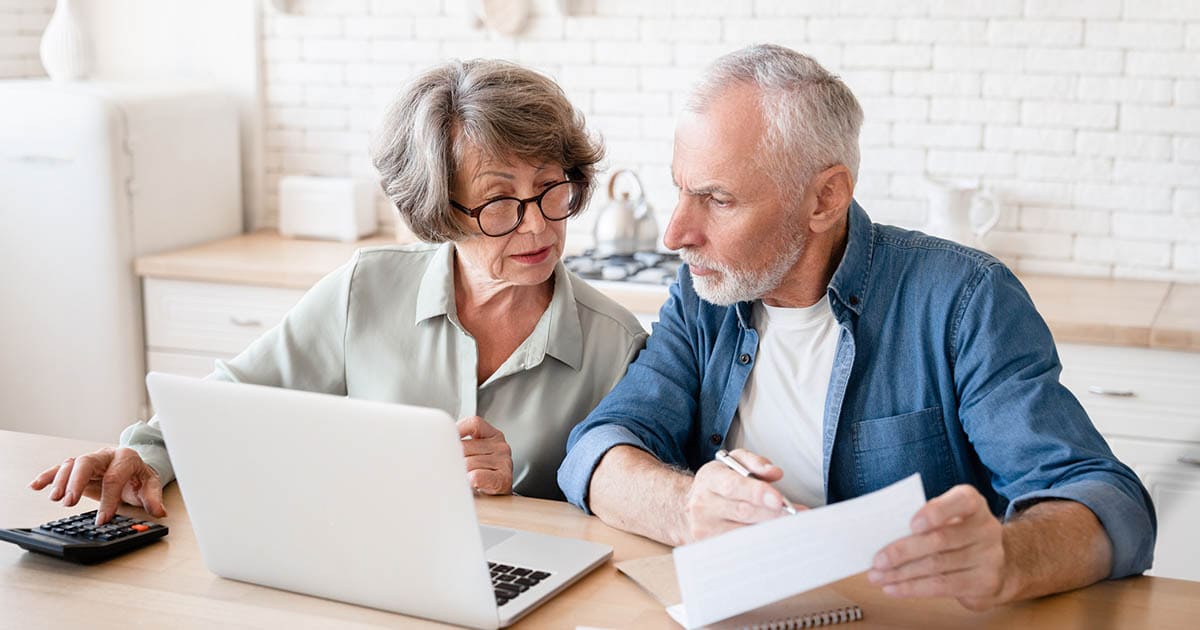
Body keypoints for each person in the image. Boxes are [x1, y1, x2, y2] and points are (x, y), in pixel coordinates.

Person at [557, 44, 1155, 611]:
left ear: (825, 198)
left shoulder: (964, 299)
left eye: (717, 199)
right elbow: (597, 450)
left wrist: (1009, 555)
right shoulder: (704, 294)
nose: (675, 234)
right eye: (680, 190)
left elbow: (1109, 502)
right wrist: (687, 507)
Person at [30, 59, 647, 525]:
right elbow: (230, 403)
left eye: (550, 188)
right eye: (499, 201)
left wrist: (517, 497)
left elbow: (620, 524)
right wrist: (140, 457)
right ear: (440, 210)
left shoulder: (617, 345)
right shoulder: (366, 289)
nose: (538, 223)